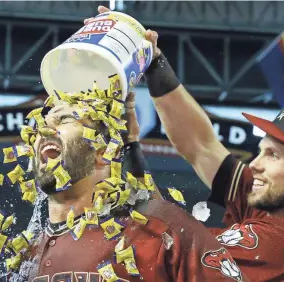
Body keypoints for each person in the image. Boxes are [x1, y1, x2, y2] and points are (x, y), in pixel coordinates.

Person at [91, 6, 284, 282]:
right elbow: (200, 145)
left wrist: (117, 152)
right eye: (262, 150)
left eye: (274, 155)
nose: (255, 164)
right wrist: (153, 61)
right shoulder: (270, 205)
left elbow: (168, 246)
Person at [21, 90, 244, 282]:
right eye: (41, 124)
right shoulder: (24, 254)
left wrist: (130, 144)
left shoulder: (160, 228)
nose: (46, 130)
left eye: (65, 119)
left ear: (103, 151)